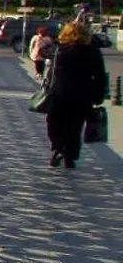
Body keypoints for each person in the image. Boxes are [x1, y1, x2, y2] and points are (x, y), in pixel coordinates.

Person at [45, 20, 109, 169]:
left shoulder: (59, 49)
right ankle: (70, 157)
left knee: (54, 123)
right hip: (82, 95)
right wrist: (98, 96)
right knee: (75, 127)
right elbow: (100, 76)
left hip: (59, 93)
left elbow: (44, 52)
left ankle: (58, 147)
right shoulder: (93, 52)